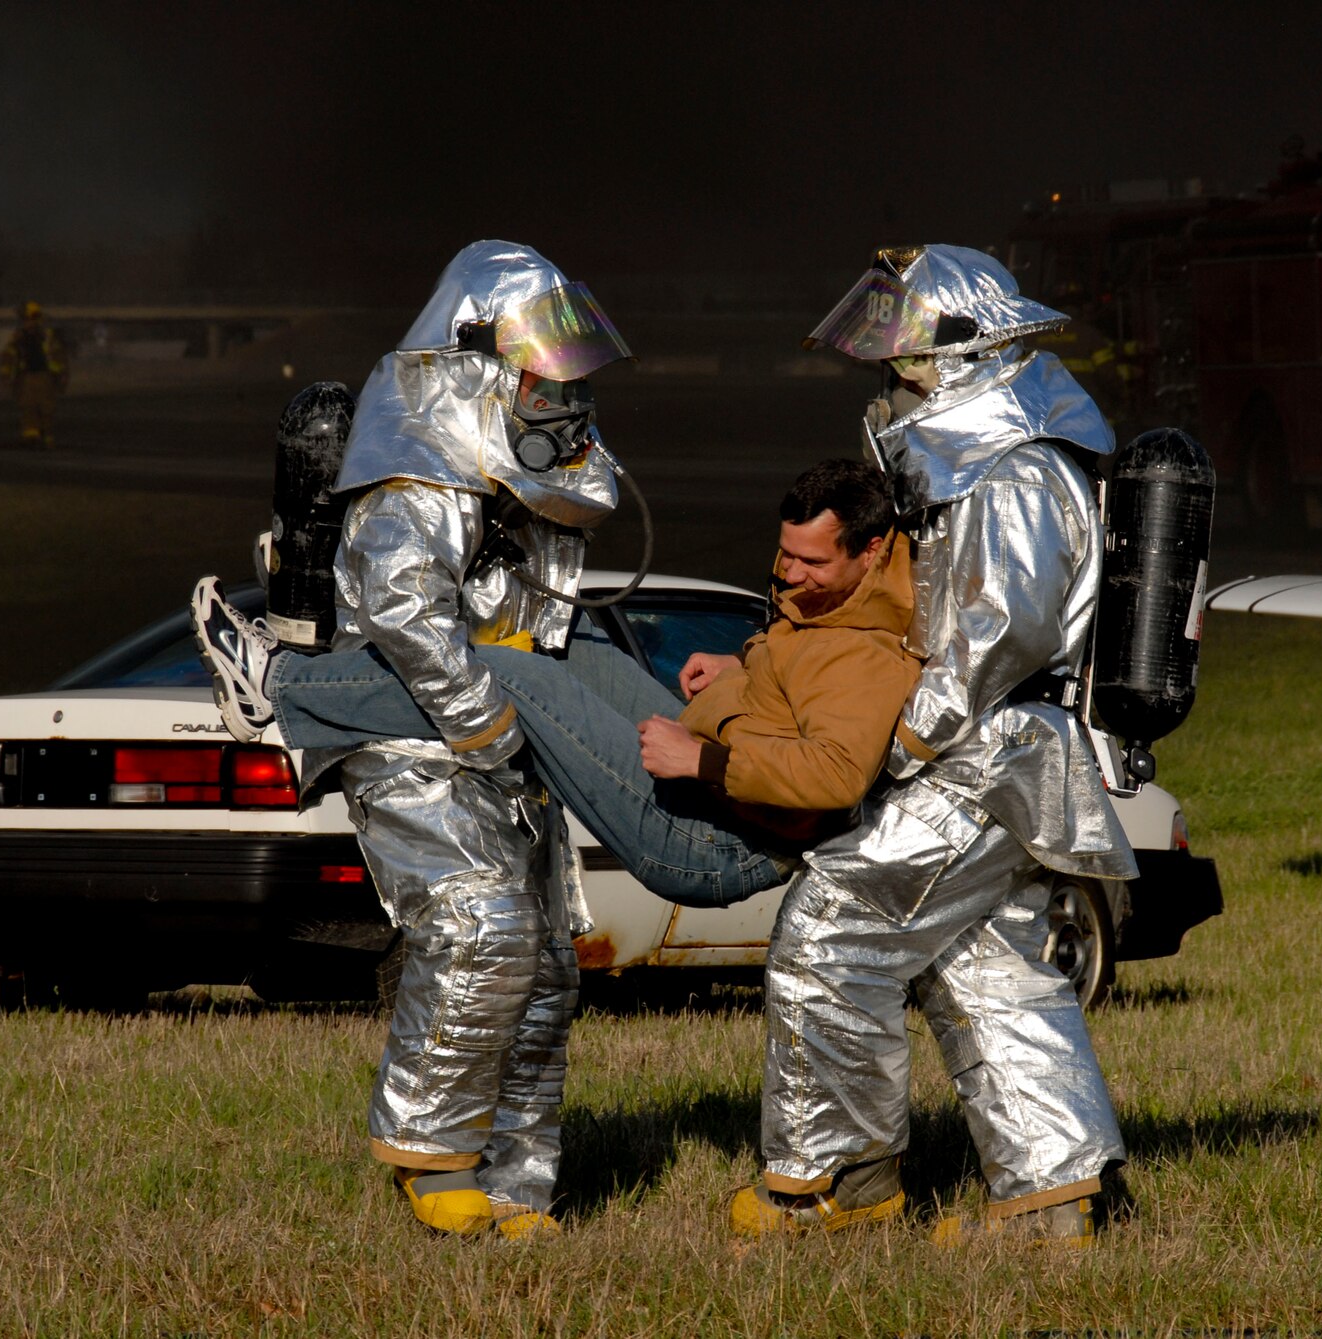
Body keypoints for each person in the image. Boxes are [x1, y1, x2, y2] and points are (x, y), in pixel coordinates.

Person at [193, 241, 632, 1239]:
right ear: (474, 354)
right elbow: (402, 609)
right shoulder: (413, 465)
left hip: (513, 741)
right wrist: (479, 718)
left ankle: (517, 1185)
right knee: (484, 931)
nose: (562, 387)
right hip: (417, 738)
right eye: (540, 362)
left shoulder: (530, 454)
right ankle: (431, 1157)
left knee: (547, 965)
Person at [729, 245, 1139, 1245]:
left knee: (829, 933)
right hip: (1002, 756)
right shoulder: (983, 458)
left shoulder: (1016, 467)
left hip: (979, 755)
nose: (885, 382)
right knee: (988, 964)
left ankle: (833, 1187)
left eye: (900, 362)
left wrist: (901, 738)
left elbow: (1005, 629)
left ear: (964, 357)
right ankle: (1055, 1202)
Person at [197, 457, 919, 906]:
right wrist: (745, 669)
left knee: (509, 677)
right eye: (785, 554)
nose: (790, 573)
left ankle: (279, 687)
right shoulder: (829, 604)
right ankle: (362, 657)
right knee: (566, 644)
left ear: (872, 549)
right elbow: (804, 686)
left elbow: (834, 776)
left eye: (811, 562)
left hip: (715, 838)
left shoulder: (871, 652)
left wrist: (704, 759)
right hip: (716, 785)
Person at [0, 301, 68, 449]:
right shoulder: (18, 339)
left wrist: (62, 376)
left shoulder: (47, 337)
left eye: (27, 319)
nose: (26, 323)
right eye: (24, 320)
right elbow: (8, 357)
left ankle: (47, 437)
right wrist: (6, 377)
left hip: (45, 377)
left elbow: (59, 357)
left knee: (46, 409)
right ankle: (31, 437)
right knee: (28, 407)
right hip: (26, 378)